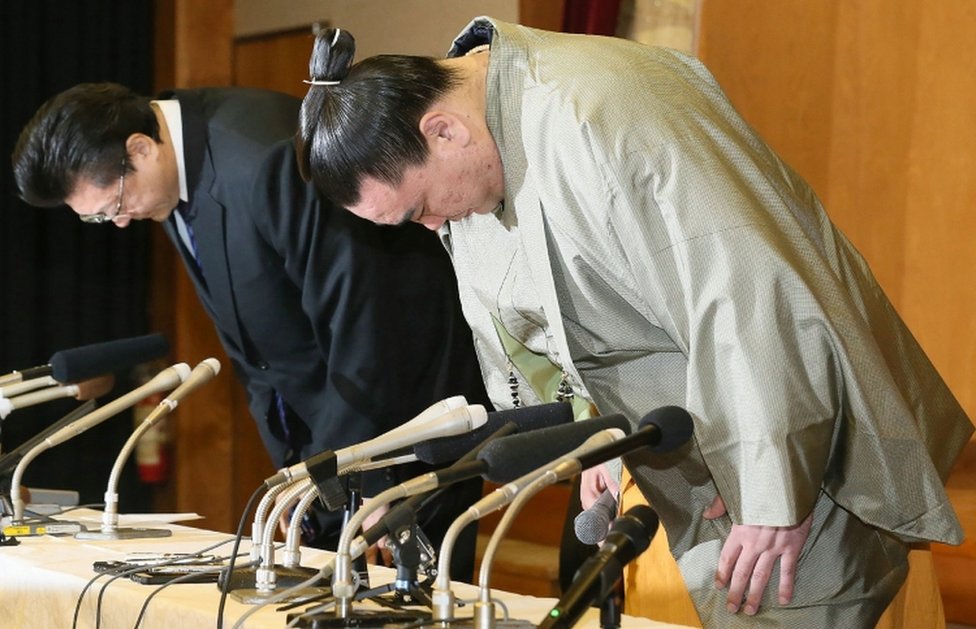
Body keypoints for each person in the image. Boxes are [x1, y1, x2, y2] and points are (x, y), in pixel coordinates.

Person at [294, 19, 974, 628]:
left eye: (418, 211)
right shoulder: (494, 124)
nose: (435, 227)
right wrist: (597, 432)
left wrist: (772, 492)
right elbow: (573, 309)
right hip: (683, 453)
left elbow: (747, 289)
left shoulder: (602, 111)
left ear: (444, 130)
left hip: (792, 440)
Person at [11, 82, 490, 579]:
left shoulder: (264, 155)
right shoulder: (174, 169)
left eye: (112, 205)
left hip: (403, 416)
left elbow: (366, 322)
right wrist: (297, 471)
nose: (120, 222)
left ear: (140, 147)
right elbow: (258, 351)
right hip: (331, 437)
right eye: (99, 218)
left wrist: (358, 472)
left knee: (415, 599)